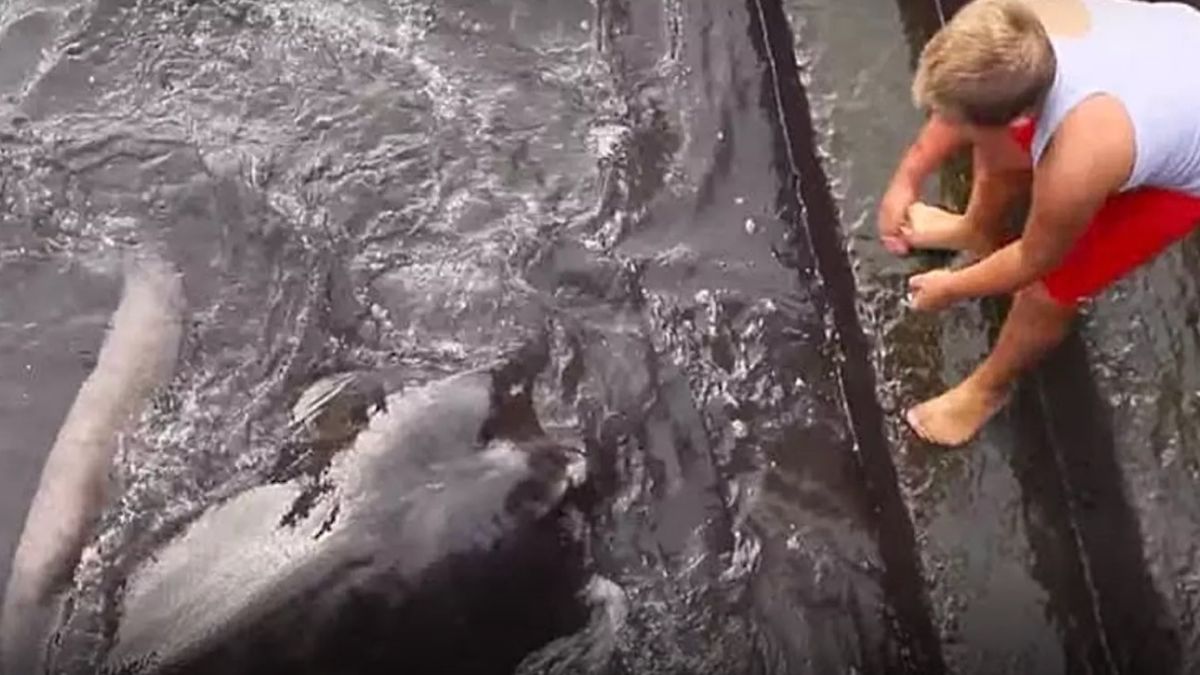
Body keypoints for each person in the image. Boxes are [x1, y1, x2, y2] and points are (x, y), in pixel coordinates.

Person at [879, 0, 1200, 447]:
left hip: (1184, 166)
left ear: (1023, 116)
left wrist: (952, 287)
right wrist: (906, 178)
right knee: (994, 147)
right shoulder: (1007, 27)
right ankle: (975, 228)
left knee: (1055, 287)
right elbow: (963, 106)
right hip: (1171, 52)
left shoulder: (1079, 158)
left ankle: (987, 389)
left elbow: (1036, 258)